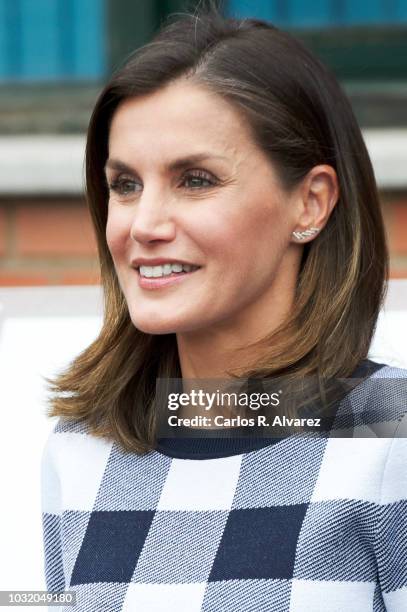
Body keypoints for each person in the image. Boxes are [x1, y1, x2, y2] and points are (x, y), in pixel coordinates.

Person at [41, 4, 407, 611]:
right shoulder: (83, 444)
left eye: (196, 180)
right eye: (125, 185)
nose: (145, 225)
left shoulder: (391, 433)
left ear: (310, 204)